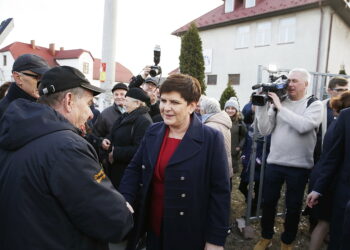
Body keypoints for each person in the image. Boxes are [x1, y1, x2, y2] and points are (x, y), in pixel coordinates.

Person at [0, 66, 133, 250]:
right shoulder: (67, 147)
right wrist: (123, 209)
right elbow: (114, 221)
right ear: (69, 100)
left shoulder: (14, 132)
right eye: (88, 103)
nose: (90, 113)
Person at [119, 74, 231, 250]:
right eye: (163, 101)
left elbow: (220, 192)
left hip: (188, 232)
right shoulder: (153, 131)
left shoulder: (210, 138)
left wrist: (215, 240)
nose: (166, 108)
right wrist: (126, 198)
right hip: (152, 227)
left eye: (175, 102)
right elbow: (134, 169)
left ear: (192, 106)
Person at [253, 68, 323, 250]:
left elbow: (304, 126)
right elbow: (265, 130)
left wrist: (280, 107)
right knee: (268, 203)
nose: (290, 84)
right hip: (275, 163)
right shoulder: (280, 102)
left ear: (306, 84)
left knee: (292, 207)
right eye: (289, 80)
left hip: (299, 166)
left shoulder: (314, 104)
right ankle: (266, 236)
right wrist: (262, 108)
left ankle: (287, 241)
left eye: (295, 81)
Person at [308, 79, 348, 250]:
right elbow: (330, 155)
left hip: (330, 178)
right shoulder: (338, 117)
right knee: (327, 224)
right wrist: (319, 187)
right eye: (340, 89)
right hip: (331, 180)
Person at [103, 88, 153, 188]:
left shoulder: (144, 121)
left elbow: (140, 150)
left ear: (137, 103)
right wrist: (107, 140)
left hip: (128, 174)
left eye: (127, 100)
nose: (124, 103)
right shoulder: (126, 115)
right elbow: (115, 132)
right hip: (116, 170)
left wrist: (115, 153)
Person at [0, 54, 50, 118]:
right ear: (17, 77)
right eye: (37, 77)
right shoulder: (4, 112)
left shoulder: (46, 106)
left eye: (45, 78)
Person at [200, 96, 233, 187]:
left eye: (202, 108)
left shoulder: (210, 126)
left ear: (206, 109)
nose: (200, 110)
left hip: (216, 172)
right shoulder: (222, 121)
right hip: (226, 168)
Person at [224, 97, 246, 174]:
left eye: (233, 108)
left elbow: (244, 136)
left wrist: (239, 147)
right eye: (228, 108)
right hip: (222, 151)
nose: (230, 110)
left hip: (233, 152)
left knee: (230, 173)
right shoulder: (222, 120)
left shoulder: (240, 122)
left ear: (236, 110)